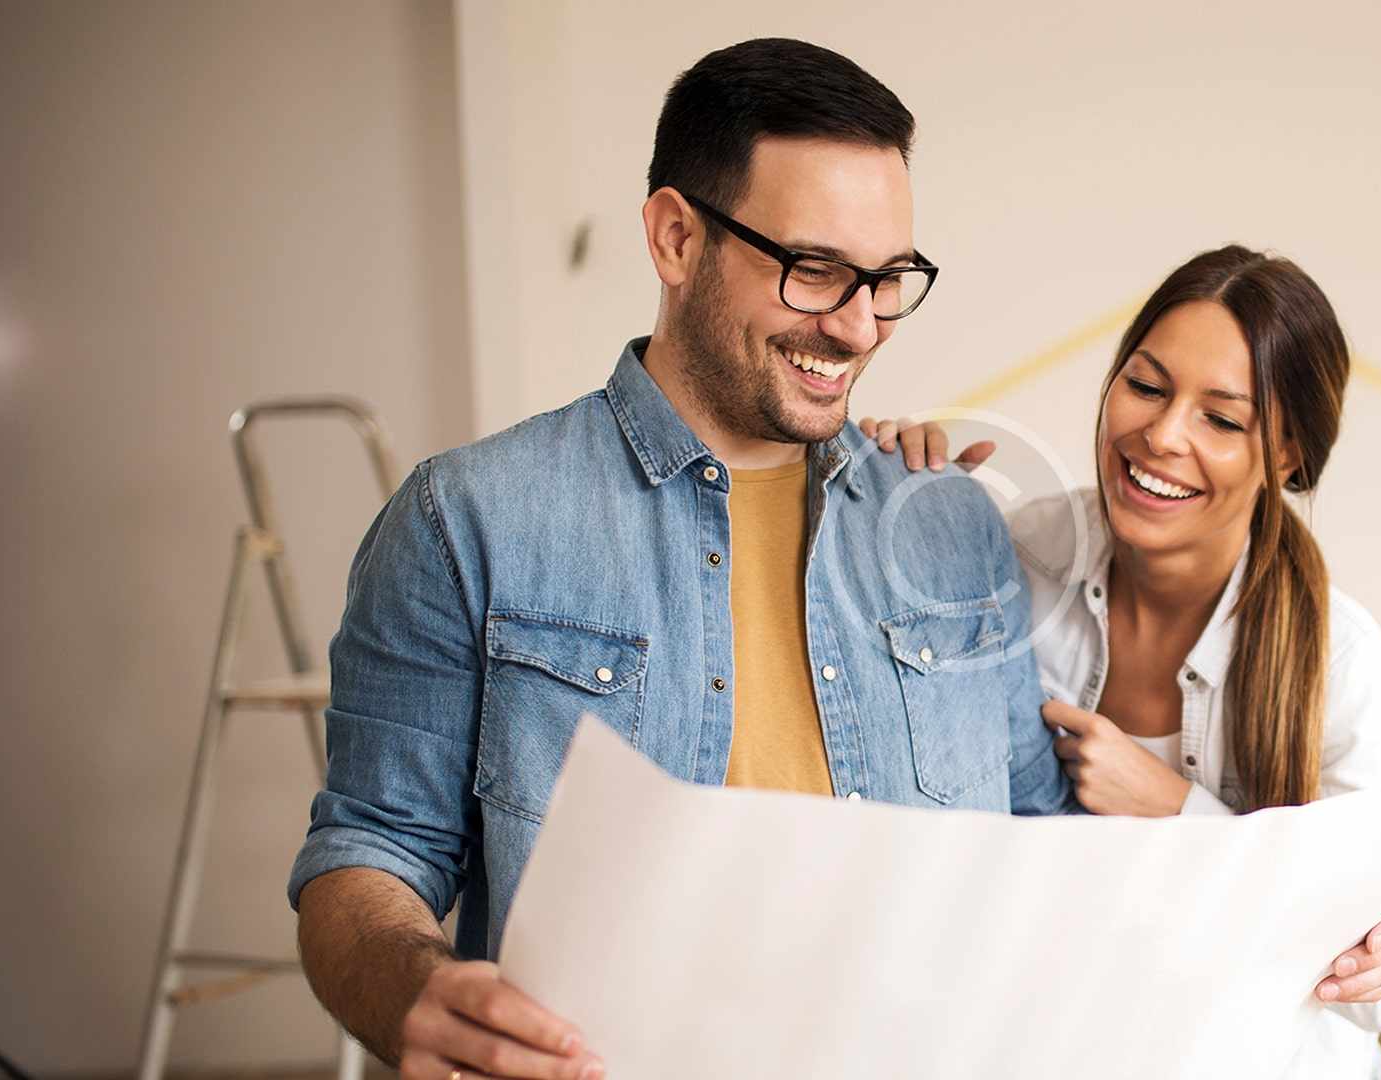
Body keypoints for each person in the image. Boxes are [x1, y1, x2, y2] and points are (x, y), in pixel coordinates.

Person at [288, 38, 1072, 1078]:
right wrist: (414, 993)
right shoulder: (466, 519)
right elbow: (369, 852)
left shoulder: (952, 527)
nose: (859, 328)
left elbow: (1041, 851)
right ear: (675, 238)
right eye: (815, 271)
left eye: (888, 280)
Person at [862, 244, 1381, 1077]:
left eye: (1222, 420)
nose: (1161, 436)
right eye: (1146, 386)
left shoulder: (1339, 659)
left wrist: (1173, 810)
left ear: (1286, 457)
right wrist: (894, 491)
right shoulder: (1017, 560)